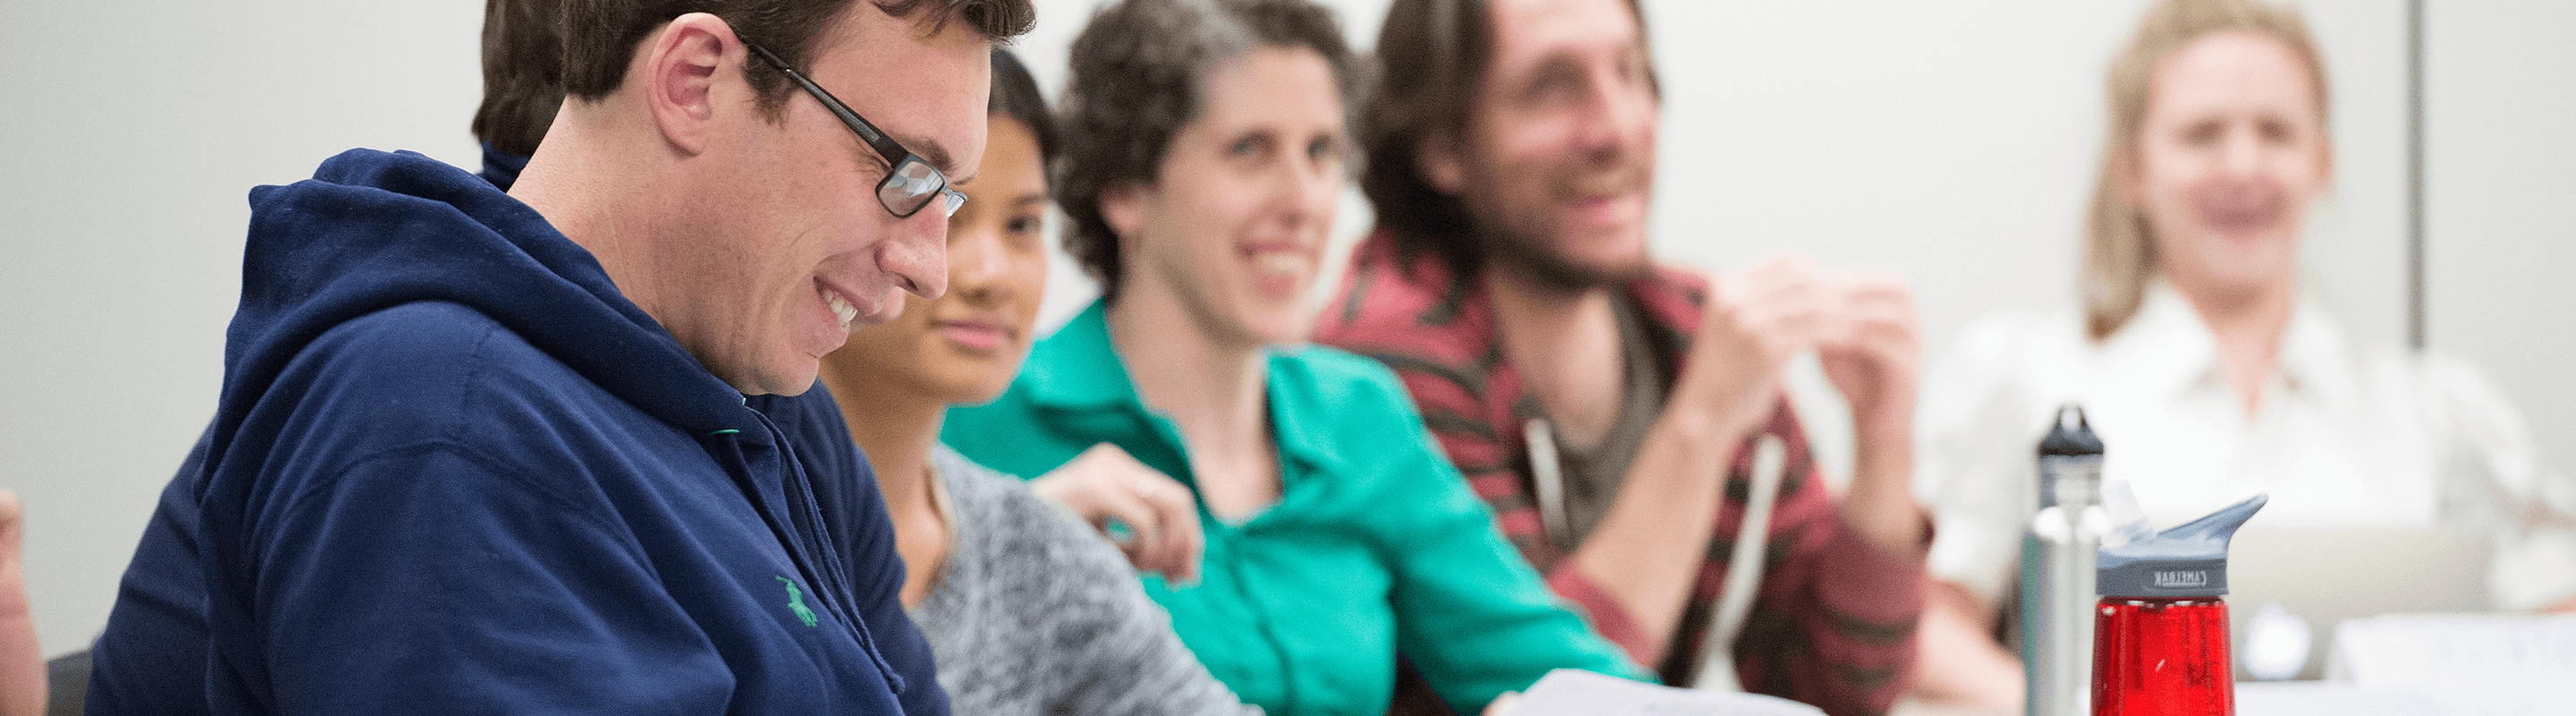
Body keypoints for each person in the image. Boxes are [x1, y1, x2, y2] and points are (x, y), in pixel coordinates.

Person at [84, 0, 1034, 713]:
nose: (930, 268)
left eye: (942, 195)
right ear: (694, 79)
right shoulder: (445, 427)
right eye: (904, 173)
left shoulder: (740, 408)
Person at [942, 0, 1643, 713]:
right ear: (1127, 188)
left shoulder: (1361, 417)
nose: (1304, 201)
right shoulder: (973, 419)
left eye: (1321, 152)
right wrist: (1009, 560)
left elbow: (1572, 676)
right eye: (1250, 150)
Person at [1909, 0, 2576, 707]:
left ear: (2321, 163)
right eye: (2202, 135)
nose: (2243, 165)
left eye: (2276, 132)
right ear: (2132, 170)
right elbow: (1925, 629)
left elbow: (2556, 615)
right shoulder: (2027, 375)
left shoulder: (2438, 409)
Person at [1312, 1, 1932, 713]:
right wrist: (1702, 422)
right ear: (1441, 147)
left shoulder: (1688, 325)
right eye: (1551, 87)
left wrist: (1885, 447)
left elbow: (1839, 691)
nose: (1616, 129)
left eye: (1631, 73)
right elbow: (1549, 692)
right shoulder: (1375, 360)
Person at [811, 47, 1257, 716]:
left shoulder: (1031, 545)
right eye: (944, 212)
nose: (990, 275)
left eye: (1023, 224)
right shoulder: (728, 513)